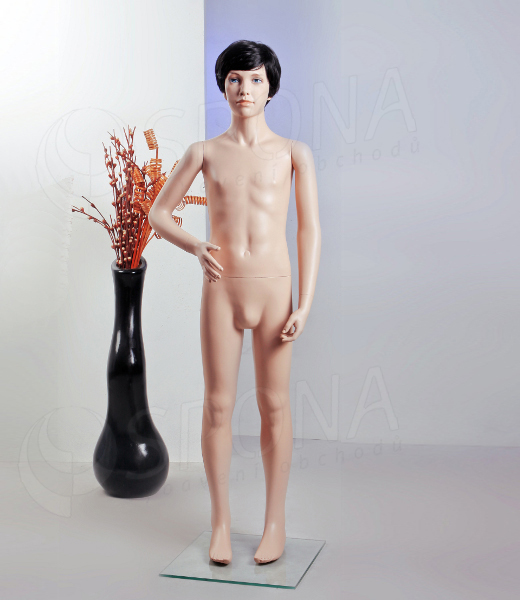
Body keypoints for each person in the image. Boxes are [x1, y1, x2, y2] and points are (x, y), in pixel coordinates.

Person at [148, 39, 321, 565]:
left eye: (255, 80)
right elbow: (159, 213)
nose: (245, 89)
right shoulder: (203, 152)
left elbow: (309, 229)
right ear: (223, 86)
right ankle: (220, 523)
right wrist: (195, 246)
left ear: (271, 88)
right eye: (235, 80)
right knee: (218, 405)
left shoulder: (293, 153)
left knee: (275, 405)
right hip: (222, 287)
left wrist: (305, 302)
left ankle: (275, 523)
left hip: (275, 289)